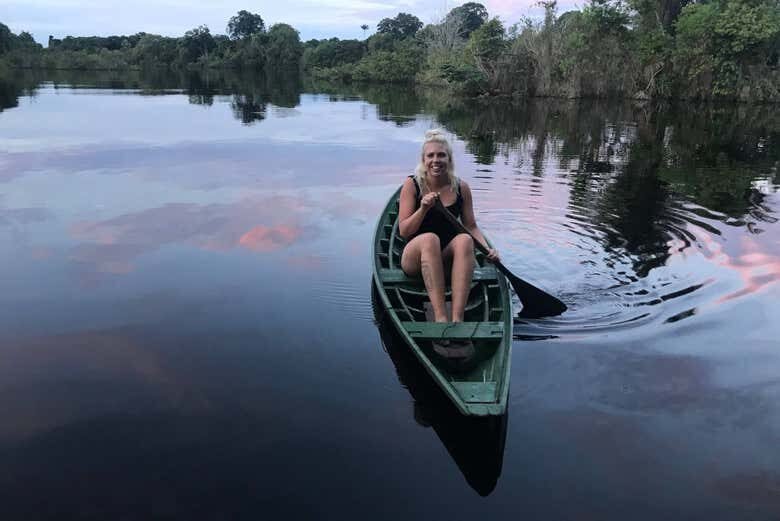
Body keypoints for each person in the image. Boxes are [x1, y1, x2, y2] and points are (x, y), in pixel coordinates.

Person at [398, 129, 499, 358]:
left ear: (449, 159)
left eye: (441, 155)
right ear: (423, 160)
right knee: (430, 239)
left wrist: (487, 250)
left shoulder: (461, 188)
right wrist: (423, 208)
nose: (436, 161)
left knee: (464, 240)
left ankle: (457, 318)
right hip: (415, 260)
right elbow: (404, 231)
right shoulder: (412, 185)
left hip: (443, 262)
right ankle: (440, 317)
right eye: (431, 156)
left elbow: (471, 227)